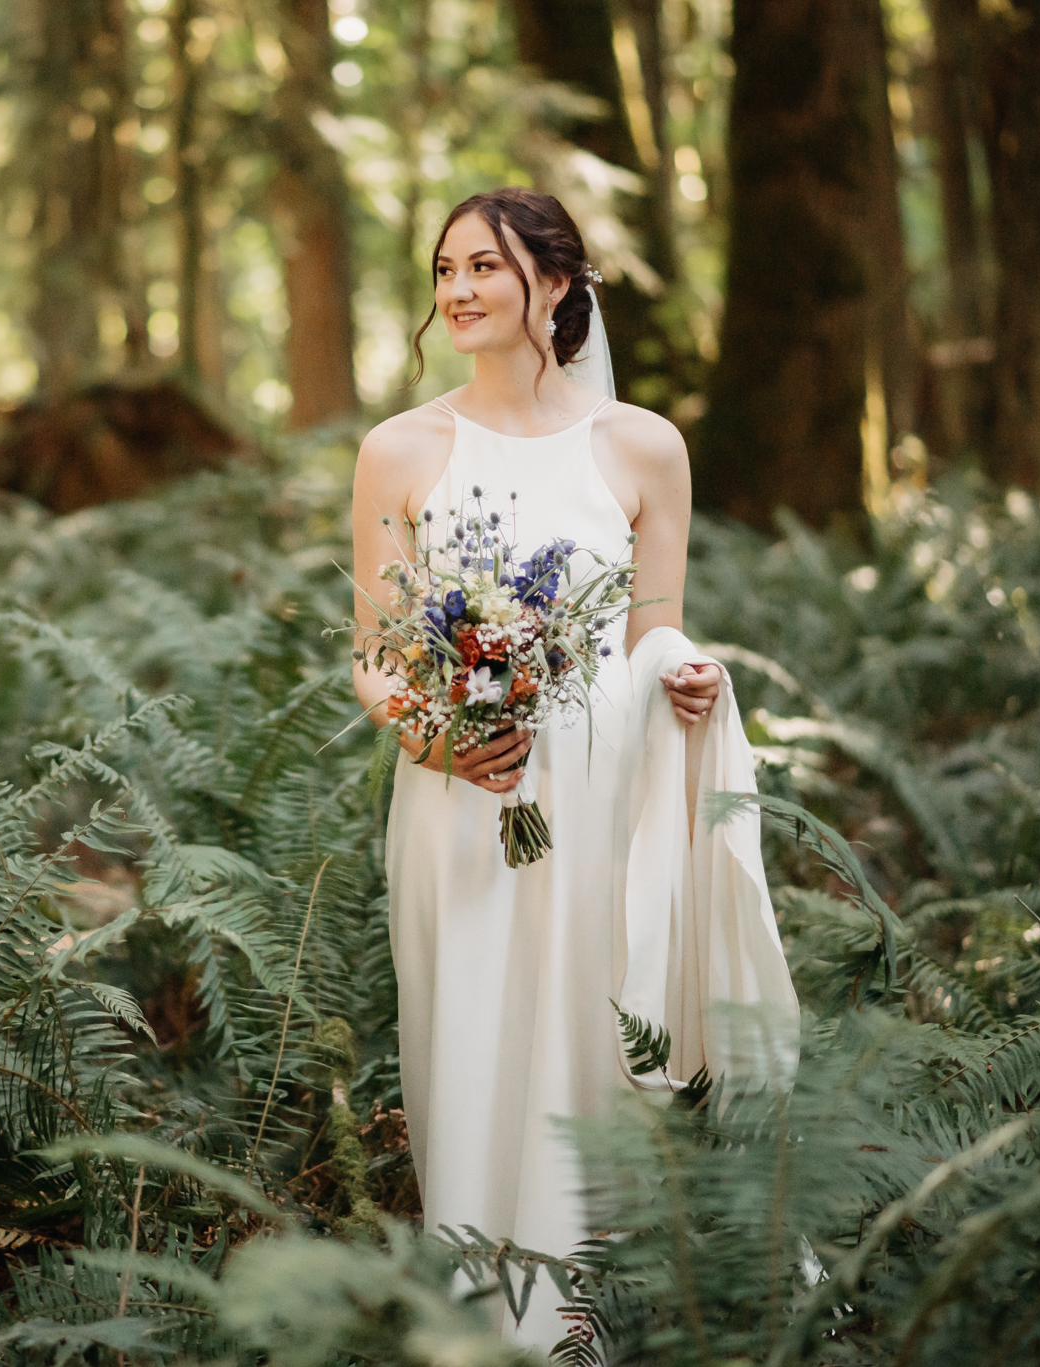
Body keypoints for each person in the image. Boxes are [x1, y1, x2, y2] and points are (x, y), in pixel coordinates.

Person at [349, 188, 797, 1352]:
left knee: (593, 1033)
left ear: (552, 283)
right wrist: (436, 734)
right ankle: (475, 1311)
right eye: (442, 267)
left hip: (602, 791)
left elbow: (654, 626)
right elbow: (375, 655)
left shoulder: (641, 446)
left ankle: (594, 1306)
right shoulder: (398, 449)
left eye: (482, 267)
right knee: (470, 1030)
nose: (454, 290)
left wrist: (691, 674)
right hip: (462, 793)